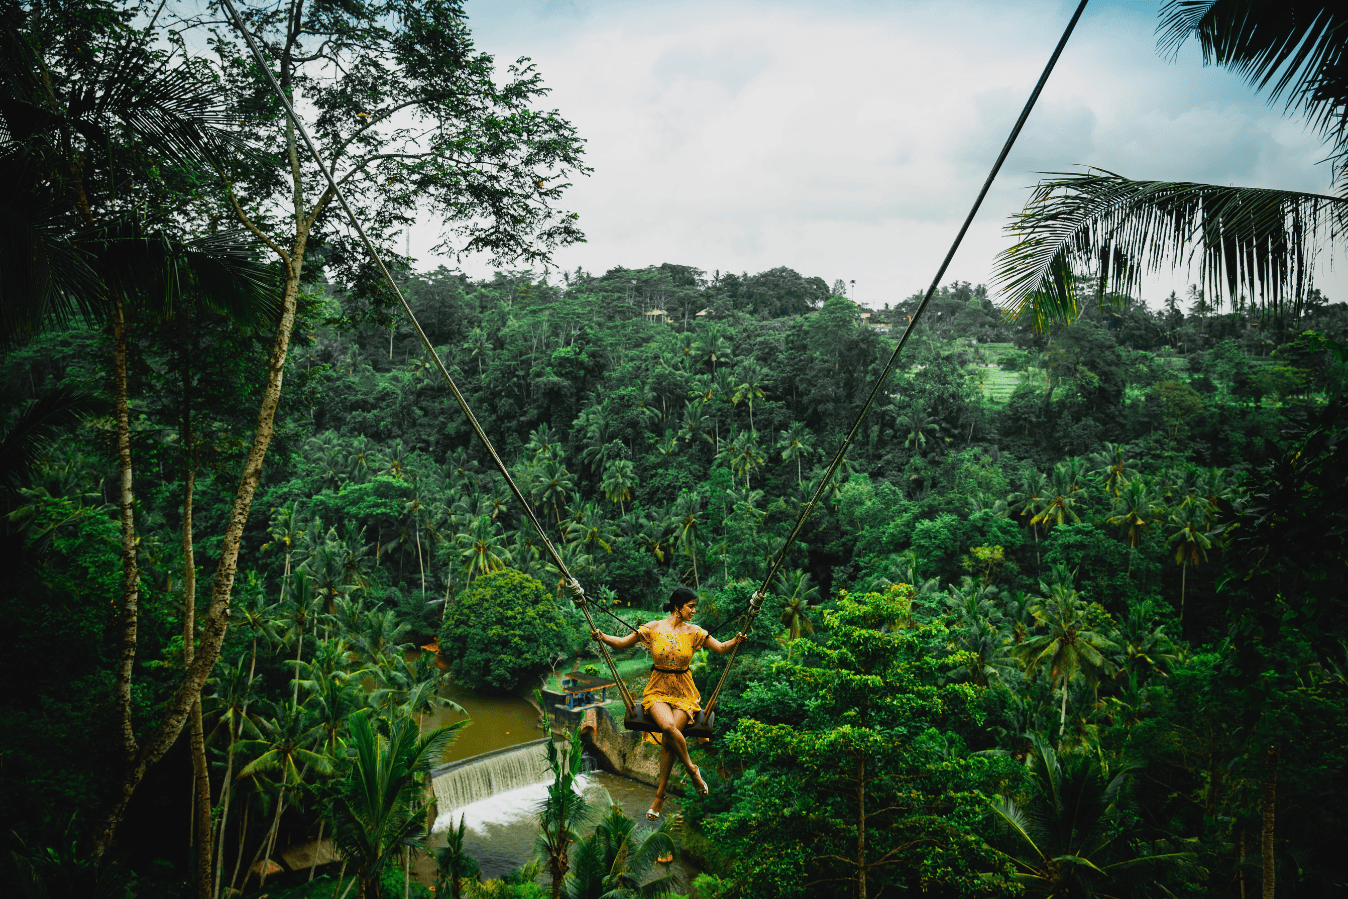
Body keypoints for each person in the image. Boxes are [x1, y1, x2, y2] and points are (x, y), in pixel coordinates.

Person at [591, 586, 745, 820]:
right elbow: (623, 643)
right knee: (668, 728)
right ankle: (693, 771)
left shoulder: (695, 632)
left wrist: (736, 639)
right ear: (677, 606)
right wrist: (603, 637)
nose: (694, 611)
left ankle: (659, 795)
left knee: (670, 738)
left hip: (685, 693)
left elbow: (722, 648)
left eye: (695, 607)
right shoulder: (653, 628)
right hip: (657, 690)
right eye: (690, 606)